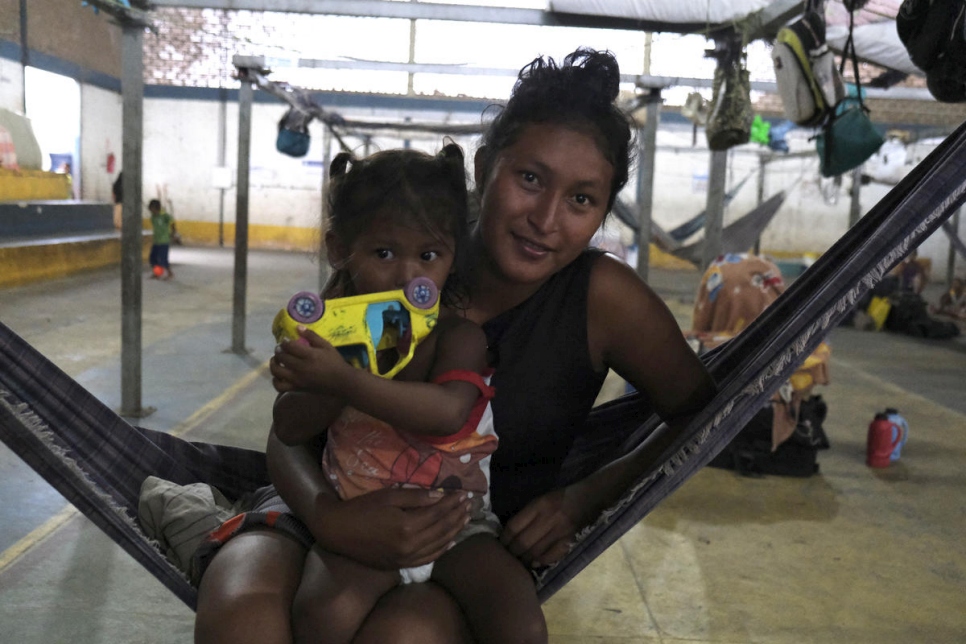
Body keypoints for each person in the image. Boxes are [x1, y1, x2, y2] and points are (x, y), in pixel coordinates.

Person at [195, 48, 716, 644]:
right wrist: (329, 518)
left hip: (458, 539)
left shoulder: (602, 299)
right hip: (328, 498)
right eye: (529, 179)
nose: (546, 218)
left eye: (581, 199)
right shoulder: (401, 258)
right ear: (485, 165)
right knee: (242, 612)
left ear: (602, 211)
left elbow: (702, 415)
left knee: (404, 637)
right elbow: (290, 429)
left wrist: (582, 500)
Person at [254, 143, 545, 643]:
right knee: (323, 613)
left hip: (458, 526)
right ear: (340, 249)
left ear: (454, 258)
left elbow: (448, 413)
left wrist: (347, 382)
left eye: (428, 255)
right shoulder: (330, 340)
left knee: (519, 622)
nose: (409, 275)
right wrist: (322, 377)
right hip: (361, 521)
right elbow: (289, 426)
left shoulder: (459, 337)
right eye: (384, 252)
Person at [148, 198, 176, 280]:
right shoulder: (153, 217)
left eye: (152, 209)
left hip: (164, 241)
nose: (151, 211)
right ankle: (157, 273)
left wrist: (173, 233)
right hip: (156, 241)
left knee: (163, 258)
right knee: (153, 258)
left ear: (156, 208)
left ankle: (170, 273)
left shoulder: (164, 215)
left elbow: (172, 222)